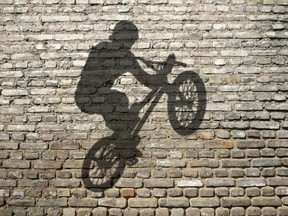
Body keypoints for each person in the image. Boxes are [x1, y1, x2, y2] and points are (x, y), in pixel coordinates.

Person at [75, 20, 175, 137]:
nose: (130, 45)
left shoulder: (101, 47)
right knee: (120, 100)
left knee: (122, 108)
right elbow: (146, 80)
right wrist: (164, 73)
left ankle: (120, 136)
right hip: (96, 98)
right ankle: (122, 138)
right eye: (130, 41)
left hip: (82, 97)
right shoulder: (125, 57)